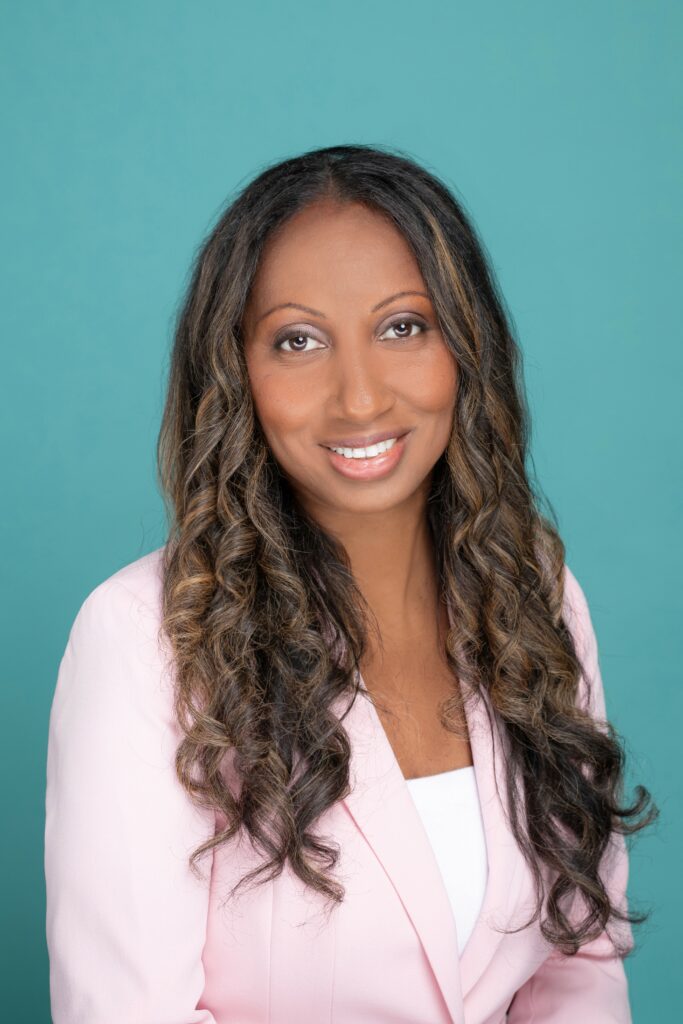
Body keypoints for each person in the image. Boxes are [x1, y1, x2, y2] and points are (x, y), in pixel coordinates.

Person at [45, 143, 656, 1023]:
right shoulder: (142, 637)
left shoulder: (537, 598)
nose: (360, 398)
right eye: (297, 340)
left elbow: (578, 963)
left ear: (466, 345)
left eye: (403, 326)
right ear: (234, 371)